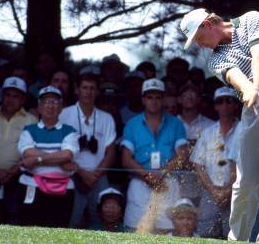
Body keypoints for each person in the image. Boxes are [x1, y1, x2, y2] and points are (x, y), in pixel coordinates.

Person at [180, 9, 259, 243]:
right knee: (246, 182)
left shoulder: (252, 19)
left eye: (199, 38)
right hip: (253, 107)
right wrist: (249, 89)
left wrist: (255, 87)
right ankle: (237, 240)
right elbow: (235, 76)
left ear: (207, 24)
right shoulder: (214, 58)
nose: (201, 45)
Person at [120, 78, 189, 232]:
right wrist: (148, 175)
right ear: (143, 99)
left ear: (163, 99)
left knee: (167, 232)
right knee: (135, 232)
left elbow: (183, 155)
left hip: (167, 182)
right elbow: (125, 159)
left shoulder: (175, 123)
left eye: (158, 97)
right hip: (140, 182)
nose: (154, 101)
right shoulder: (132, 124)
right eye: (150, 97)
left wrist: (160, 173)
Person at [60, 73, 117, 228]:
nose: (88, 92)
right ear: (77, 90)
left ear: (97, 91)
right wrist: (82, 173)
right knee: (71, 222)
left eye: (92, 88)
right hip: (71, 175)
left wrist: (95, 174)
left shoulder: (106, 118)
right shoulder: (64, 114)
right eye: (85, 88)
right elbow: (58, 148)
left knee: (101, 223)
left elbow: (111, 151)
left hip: (99, 176)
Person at [17, 86, 79, 227]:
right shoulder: (29, 130)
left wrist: (38, 159)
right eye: (46, 102)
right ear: (39, 107)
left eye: (55, 102)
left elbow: (68, 154)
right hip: (31, 184)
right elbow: (27, 153)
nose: (50, 106)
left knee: (57, 235)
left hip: (63, 189)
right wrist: (59, 159)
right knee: (29, 233)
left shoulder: (70, 131)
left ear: (61, 107)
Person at [191, 86, 239, 238]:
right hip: (209, 192)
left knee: (233, 236)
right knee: (205, 235)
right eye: (220, 101)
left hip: (237, 193)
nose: (224, 105)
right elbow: (198, 165)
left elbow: (248, 167)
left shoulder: (245, 131)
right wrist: (214, 191)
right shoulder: (207, 133)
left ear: (235, 105)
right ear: (215, 106)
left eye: (228, 101)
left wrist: (228, 191)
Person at [0, 77, 37, 224]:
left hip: (17, 177)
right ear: (2, 96)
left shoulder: (31, 120)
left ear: (23, 99)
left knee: (13, 218)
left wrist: (15, 170)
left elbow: (34, 151)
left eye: (16, 96)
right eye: (8, 95)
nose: (10, 99)